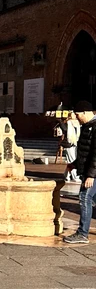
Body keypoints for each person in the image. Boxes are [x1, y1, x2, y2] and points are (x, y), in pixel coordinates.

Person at [64, 101, 96, 244]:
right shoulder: (87, 127)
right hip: (89, 171)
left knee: (84, 198)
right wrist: (75, 164)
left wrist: (91, 175)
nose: (76, 117)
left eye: (77, 114)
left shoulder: (94, 127)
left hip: (93, 174)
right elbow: (85, 152)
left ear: (85, 112)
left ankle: (82, 234)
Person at [63, 112, 82, 183]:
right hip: (70, 143)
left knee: (72, 160)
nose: (75, 115)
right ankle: (75, 176)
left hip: (76, 143)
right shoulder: (68, 123)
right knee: (72, 159)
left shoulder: (78, 123)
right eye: (73, 114)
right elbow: (65, 131)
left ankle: (66, 175)